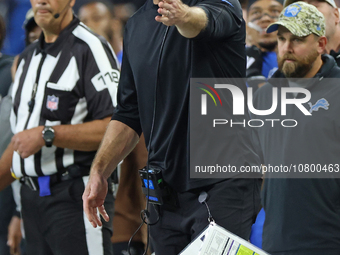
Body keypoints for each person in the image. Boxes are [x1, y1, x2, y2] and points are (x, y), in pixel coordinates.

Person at [83, 0, 262, 254]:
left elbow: (201, 22)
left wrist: (183, 16)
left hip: (223, 184)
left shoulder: (221, 5)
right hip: (166, 195)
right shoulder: (136, 25)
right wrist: (100, 171)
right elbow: (128, 113)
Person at [0, 0, 120, 254]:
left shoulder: (91, 48)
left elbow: (117, 126)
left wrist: (49, 134)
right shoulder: (26, 60)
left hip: (76, 198)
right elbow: (21, 141)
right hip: (31, 200)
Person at [252, 2, 340, 254]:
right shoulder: (264, 98)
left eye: (297, 39)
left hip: (327, 242)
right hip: (274, 242)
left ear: (321, 45)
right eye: (281, 39)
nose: (286, 48)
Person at [246, 0, 284, 92]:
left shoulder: (300, 57)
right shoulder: (233, 58)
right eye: (256, 13)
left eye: (275, 11)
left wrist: (255, 81)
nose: (265, 18)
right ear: (246, 26)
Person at [78, 1, 123, 65]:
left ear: (115, 25)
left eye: (96, 19)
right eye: (84, 21)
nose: (89, 25)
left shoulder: (132, 55)